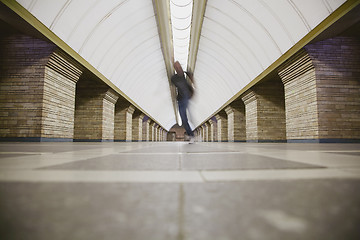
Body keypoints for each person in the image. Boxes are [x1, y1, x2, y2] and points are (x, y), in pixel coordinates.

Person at [171, 61, 195, 143]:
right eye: (176, 67)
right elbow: (175, 87)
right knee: (183, 119)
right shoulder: (174, 78)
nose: (178, 68)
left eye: (179, 66)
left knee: (185, 117)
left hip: (186, 97)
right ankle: (191, 134)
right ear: (175, 69)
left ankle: (191, 135)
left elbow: (192, 82)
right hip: (180, 99)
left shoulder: (186, 74)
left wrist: (192, 88)